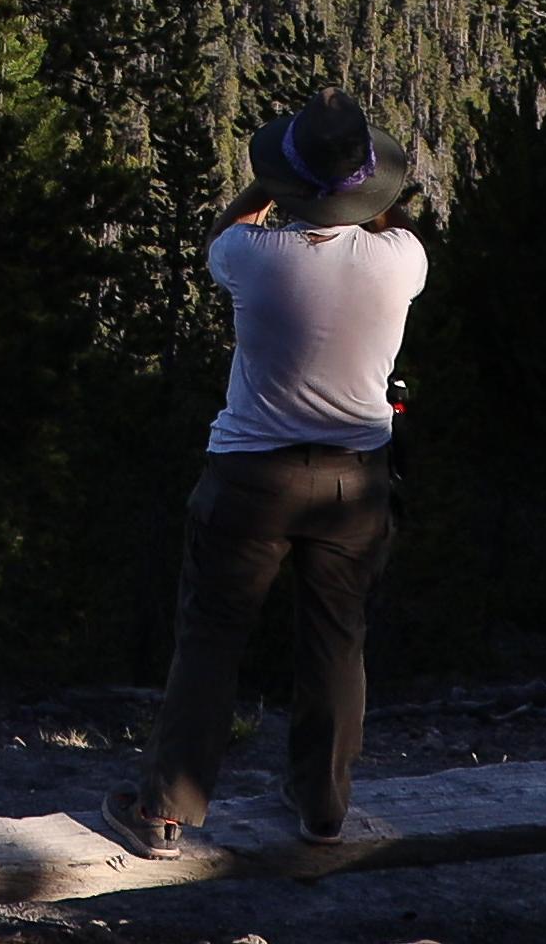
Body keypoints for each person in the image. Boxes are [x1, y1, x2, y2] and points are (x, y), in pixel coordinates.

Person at [103, 89, 426, 856]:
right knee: (337, 641)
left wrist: (267, 187)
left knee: (212, 640)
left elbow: (226, 231)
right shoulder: (402, 260)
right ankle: (323, 808)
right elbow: (386, 224)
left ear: (287, 184)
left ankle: (164, 812)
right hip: (355, 479)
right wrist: (362, 197)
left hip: (250, 477)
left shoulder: (250, 256)